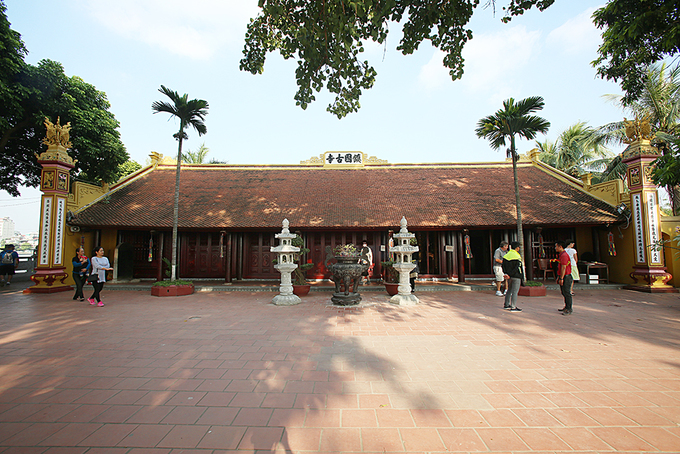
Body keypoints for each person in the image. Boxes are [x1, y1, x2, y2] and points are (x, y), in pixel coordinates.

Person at [501, 241, 523, 312]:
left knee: (509, 290)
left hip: (508, 276)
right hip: (516, 276)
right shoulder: (517, 256)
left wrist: (506, 274)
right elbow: (517, 268)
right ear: (517, 248)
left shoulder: (506, 255)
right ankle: (513, 307)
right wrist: (511, 274)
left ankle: (506, 305)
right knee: (515, 292)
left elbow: (503, 266)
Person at [555, 240, 573, 315]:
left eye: (556, 246)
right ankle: (566, 307)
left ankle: (569, 308)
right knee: (563, 292)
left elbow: (563, 268)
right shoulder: (561, 255)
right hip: (562, 275)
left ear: (560, 247)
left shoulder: (564, 255)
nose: (555, 248)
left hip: (566, 276)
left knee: (567, 292)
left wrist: (561, 278)